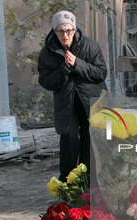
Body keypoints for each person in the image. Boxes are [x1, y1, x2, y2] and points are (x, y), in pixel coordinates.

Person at [37, 10, 107, 183]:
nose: (65, 35)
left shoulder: (90, 46)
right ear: (55, 32)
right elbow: (45, 80)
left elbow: (101, 73)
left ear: (75, 30)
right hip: (66, 103)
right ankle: (68, 184)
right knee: (69, 138)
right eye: (60, 31)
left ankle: (90, 184)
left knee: (89, 139)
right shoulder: (48, 52)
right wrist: (64, 69)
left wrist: (77, 64)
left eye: (69, 30)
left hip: (90, 101)